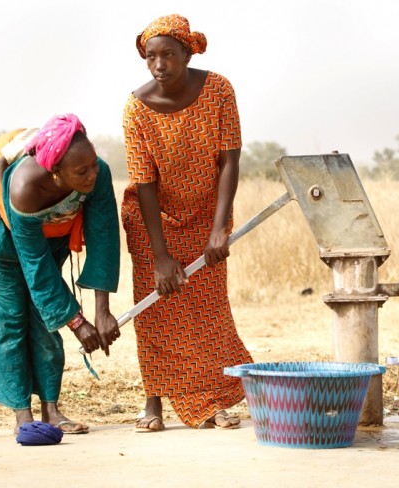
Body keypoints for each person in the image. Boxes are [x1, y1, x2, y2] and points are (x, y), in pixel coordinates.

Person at [121, 13, 252, 432]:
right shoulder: (136, 108)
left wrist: (220, 227)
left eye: (169, 55)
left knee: (208, 308)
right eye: (152, 57)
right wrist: (160, 256)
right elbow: (143, 183)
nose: (160, 65)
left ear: (187, 53)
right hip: (151, 219)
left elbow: (230, 160)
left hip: (206, 215)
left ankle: (212, 399)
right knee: (157, 305)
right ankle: (153, 401)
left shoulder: (218, 90)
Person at [0, 114, 122, 434]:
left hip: (52, 235)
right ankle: (23, 414)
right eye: (81, 171)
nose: (93, 174)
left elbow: (104, 236)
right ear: (56, 173)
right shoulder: (24, 188)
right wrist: (77, 322)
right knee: (9, 322)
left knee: (44, 320)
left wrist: (102, 312)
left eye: (93, 164)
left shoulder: (96, 170)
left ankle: (51, 409)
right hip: (0, 238)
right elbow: (37, 267)